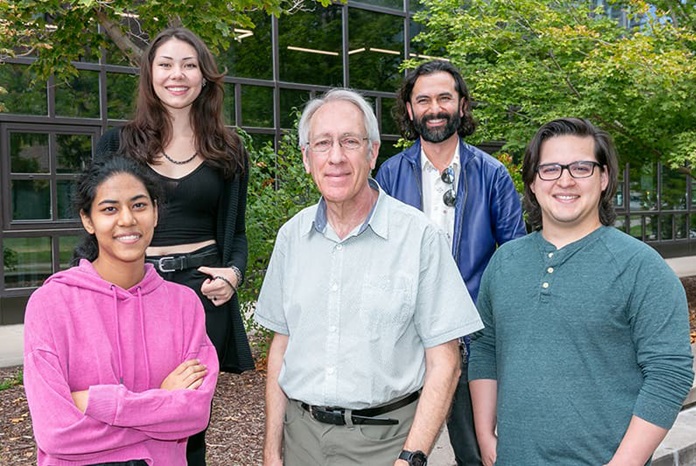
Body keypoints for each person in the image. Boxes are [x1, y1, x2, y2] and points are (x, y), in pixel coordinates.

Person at [254, 88, 484, 466]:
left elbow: (446, 360)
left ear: (373, 152)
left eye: (350, 141)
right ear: (306, 158)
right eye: (323, 143)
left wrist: (411, 457)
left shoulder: (418, 236)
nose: (337, 157)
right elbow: (282, 346)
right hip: (301, 442)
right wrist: (271, 451)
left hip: (387, 443)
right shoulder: (291, 237)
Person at [468, 118, 695, 466]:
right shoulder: (504, 263)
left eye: (581, 167)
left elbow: (669, 373)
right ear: (532, 181)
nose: (565, 180)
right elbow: (485, 349)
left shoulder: (642, 268)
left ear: (604, 179)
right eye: (550, 169)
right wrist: (485, 436)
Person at [95, 27, 254, 464]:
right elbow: (95, 226)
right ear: (150, 75)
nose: (176, 74)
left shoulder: (229, 149)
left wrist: (233, 274)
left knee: (189, 425)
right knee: (129, 412)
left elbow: (236, 233)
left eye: (188, 64)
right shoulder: (116, 144)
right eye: (165, 64)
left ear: (204, 76)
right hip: (132, 292)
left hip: (202, 297)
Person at [376, 59, 526, 466]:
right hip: (403, 342)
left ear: (462, 105)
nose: (434, 108)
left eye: (445, 97)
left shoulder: (493, 175)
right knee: (397, 454)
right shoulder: (387, 176)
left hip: (472, 339)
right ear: (409, 110)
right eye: (423, 99)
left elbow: (515, 259)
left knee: (477, 454)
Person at [23, 156, 218, 466]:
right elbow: (56, 432)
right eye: (109, 209)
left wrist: (99, 402)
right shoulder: (51, 304)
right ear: (88, 220)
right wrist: (162, 403)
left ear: (155, 212)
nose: (127, 219)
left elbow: (194, 415)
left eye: (139, 205)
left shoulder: (184, 305)